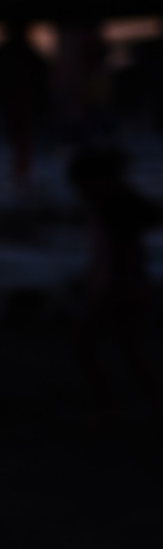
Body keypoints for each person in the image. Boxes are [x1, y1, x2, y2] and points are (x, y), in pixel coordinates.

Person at [67, 142, 161, 419]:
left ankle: (110, 406)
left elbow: (116, 253)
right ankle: (138, 405)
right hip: (126, 285)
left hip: (119, 287)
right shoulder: (116, 202)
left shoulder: (114, 205)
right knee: (130, 350)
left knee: (88, 345)